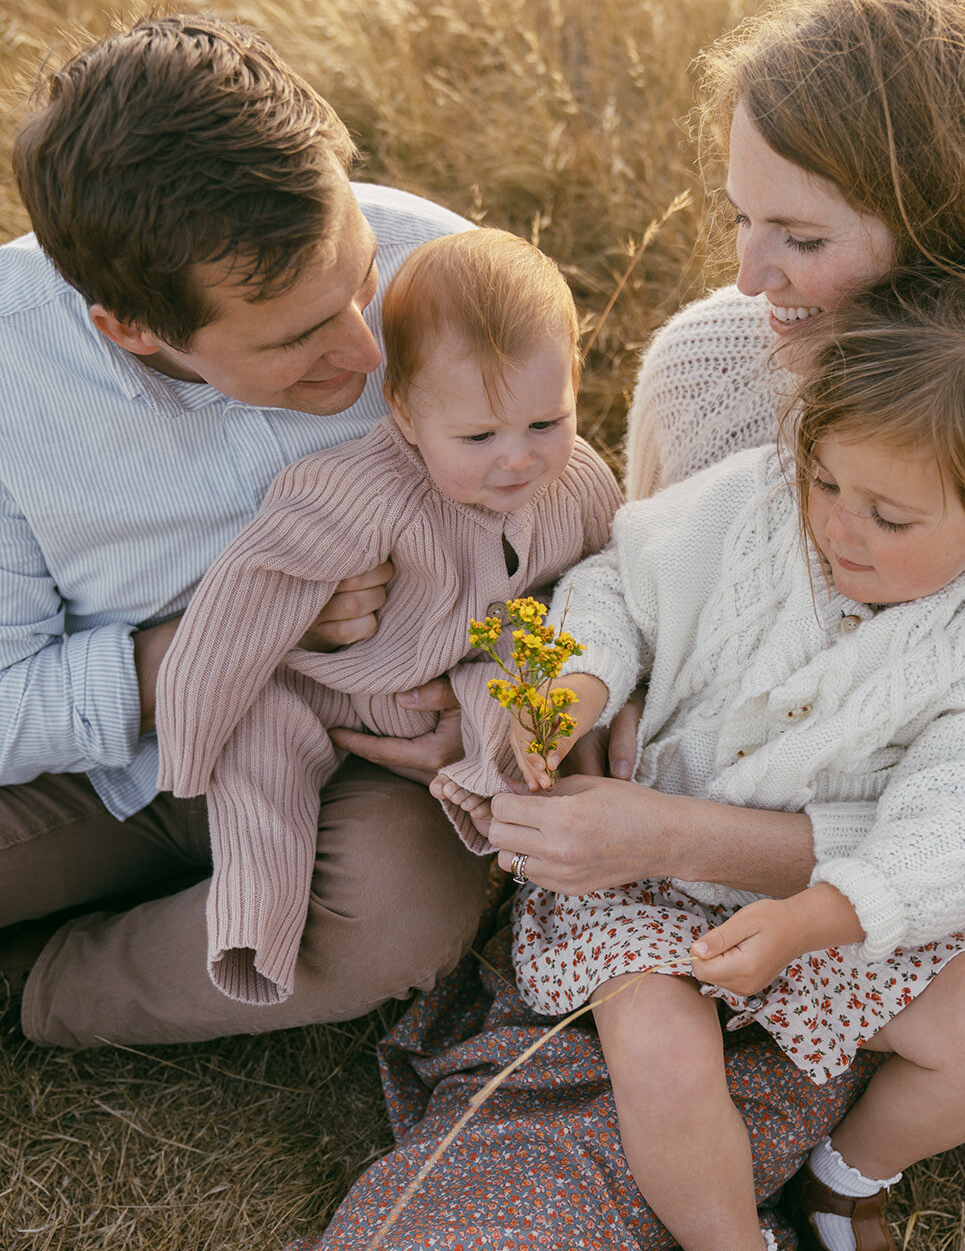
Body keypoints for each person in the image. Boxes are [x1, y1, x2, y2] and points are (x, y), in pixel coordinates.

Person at [211, 0, 965, 1251]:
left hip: (915, 927)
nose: (743, 274)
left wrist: (681, 845)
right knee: (533, 1178)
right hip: (655, 916)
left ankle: (825, 1203)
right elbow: (642, 608)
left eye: (794, 234)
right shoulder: (726, 384)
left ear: (939, 229)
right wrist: (545, 708)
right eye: (738, 216)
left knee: (951, 1040)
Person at [508, 283, 965, 1251]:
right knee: (660, 1055)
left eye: (890, 518)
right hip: (642, 867)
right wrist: (578, 679)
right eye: (825, 484)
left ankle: (842, 1184)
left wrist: (816, 921)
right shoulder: (752, 508)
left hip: (836, 898)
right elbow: (619, 579)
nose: (840, 528)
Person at [0, 12, 494, 1047]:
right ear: (130, 327)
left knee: (401, 912)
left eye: (356, 280)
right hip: (108, 767)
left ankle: (44, 988)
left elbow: (550, 514)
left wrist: (484, 703)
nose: (365, 352)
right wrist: (206, 647)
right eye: (296, 337)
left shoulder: (438, 265)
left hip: (359, 757)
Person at [152, 229, 620, 1006]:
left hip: (450, 681)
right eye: (477, 436)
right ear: (405, 412)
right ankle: (251, 933)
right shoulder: (358, 489)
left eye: (546, 423)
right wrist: (187, 746)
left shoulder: (579, 481)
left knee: (520, 704)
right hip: (321, 690)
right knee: (260, 773)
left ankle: (509, 824)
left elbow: (613, 581)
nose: (518, 459)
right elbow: (246, 599)